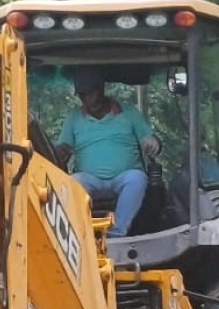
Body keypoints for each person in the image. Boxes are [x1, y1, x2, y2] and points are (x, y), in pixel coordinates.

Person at [54, 66, 161, 238]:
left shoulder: (129, 112)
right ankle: (80, 235)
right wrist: (60, 152)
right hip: (89, 179)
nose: (89, 99)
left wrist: (152, 142)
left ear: (102, 88)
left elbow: (150, 139)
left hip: (124, 177)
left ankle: (117, 233)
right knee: (72, 182)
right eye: (83, 95)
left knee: (137, 178)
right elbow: (62, 148)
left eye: (93, 92)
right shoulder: (73, 118)